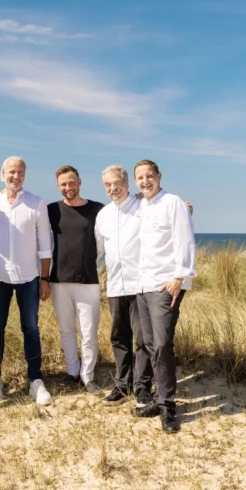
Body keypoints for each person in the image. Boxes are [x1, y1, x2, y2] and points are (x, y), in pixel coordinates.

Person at [0, 157, 54, 406]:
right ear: (2, 173)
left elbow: (45, 246)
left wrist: (45, 278)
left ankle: (35, 381)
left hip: (29, 277)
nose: (16, 176)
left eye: (20, 172)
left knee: (30, 328)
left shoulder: (36, 203)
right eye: (12, 171)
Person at [132, 159, 196, 434]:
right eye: (140, 178)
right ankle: (158, 400)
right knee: (148, 344)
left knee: (162, 345)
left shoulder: (173, 203)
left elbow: (185, 239)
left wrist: (180, 278)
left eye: (149, 176)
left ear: (159, 176)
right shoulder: (140, 206)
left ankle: (169, 406)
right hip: (142, 285)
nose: (145, 181)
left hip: (165, 285)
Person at [94, 164, 154, 406]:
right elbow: (97, 250)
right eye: (107, 185)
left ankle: (142, 387)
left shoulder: (144, 205)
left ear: (127, 184)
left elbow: (168, 211)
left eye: (116, 183)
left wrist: (186, 207)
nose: (112, 188)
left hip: (140, 285)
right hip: (115, 285)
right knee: (119, 337)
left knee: (142, 339)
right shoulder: (103, 215)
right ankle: (122, 385)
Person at [47, 166, 105, 395]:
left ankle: (88, 376)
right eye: (63, 184)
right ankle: (72, 372)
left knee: (89, 332)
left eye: (71, 183)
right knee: (67, 330)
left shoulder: (97, 209)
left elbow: (102, 243)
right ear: (58, 186)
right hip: (59, 280)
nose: (68, 188)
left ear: (79, 182)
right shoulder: (51, 210)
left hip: (88, 279)